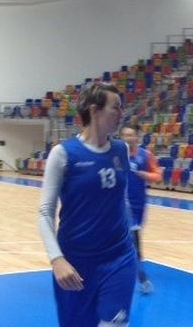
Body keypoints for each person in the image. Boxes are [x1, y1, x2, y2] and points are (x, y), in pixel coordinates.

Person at [39, 83, 136, 327]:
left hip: (119, 256)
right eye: (116, 107)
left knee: (114, 324)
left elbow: (120, 197)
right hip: (75, 262)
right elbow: (45, 212)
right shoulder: (63, 154)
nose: (121, 114)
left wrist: (130, 229)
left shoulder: (121, 149)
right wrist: (56, 259)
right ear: (95, 111)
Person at [120, 125, 163, 294]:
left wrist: (146, 176)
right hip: (119, 204)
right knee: (128, 241)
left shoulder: (146, 156)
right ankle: (141, 278)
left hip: (139, 205)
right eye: (124, 135)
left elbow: (158, 177)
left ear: (137, 137)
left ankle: (134, 271)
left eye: (130, 135)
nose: (127, 138)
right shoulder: (115, 155)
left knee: (133, 240)